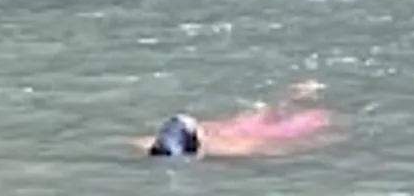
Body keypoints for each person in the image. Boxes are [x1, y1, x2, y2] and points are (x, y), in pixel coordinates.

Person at [142, 91, 337, 159]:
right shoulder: (234, 148)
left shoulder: (230, 146)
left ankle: (295, 97)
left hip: (239, 132)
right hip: (250, 133)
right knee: (314, 118)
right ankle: (297, 97)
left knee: (269, 114)